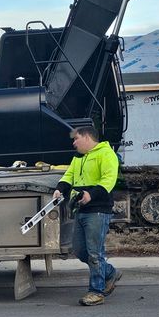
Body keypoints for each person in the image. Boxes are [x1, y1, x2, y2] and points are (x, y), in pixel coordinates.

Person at [53, 126, 121, 306]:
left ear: (87, 137)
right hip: (81, 211)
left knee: (94, 253)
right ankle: (109, 272)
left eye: (76, 139)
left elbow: (108, 179)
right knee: (80, 251)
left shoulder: (106, 154)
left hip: (98, 210)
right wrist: (60, 189)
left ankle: (96, 292)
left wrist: (91, 194)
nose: (74, 143)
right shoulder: (79, 158)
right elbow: (69, 176)